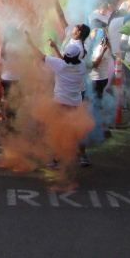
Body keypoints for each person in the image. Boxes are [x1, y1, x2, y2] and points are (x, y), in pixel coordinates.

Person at [25, 34, 89, 167]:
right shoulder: (82, 66)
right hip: (76, 104)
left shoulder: (59, 64)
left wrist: (30, 43)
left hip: (60, 103)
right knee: (78, 130)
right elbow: (95, 63)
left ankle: (57, 159)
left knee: (57, 131)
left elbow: (40, 56)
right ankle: (83, 157)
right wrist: (104, 51)